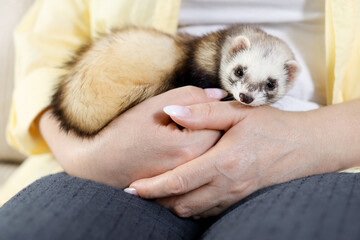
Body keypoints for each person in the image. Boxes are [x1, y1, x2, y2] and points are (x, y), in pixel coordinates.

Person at [1, 0, 360, 239]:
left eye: (267, 86)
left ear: (287, 78)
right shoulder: (197, 57)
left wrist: (317, 137)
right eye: (240, 77)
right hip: (101, 163)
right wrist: (86, 155)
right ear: (233, 54)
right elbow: (44, 52)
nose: (248, 94)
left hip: (324, 163)